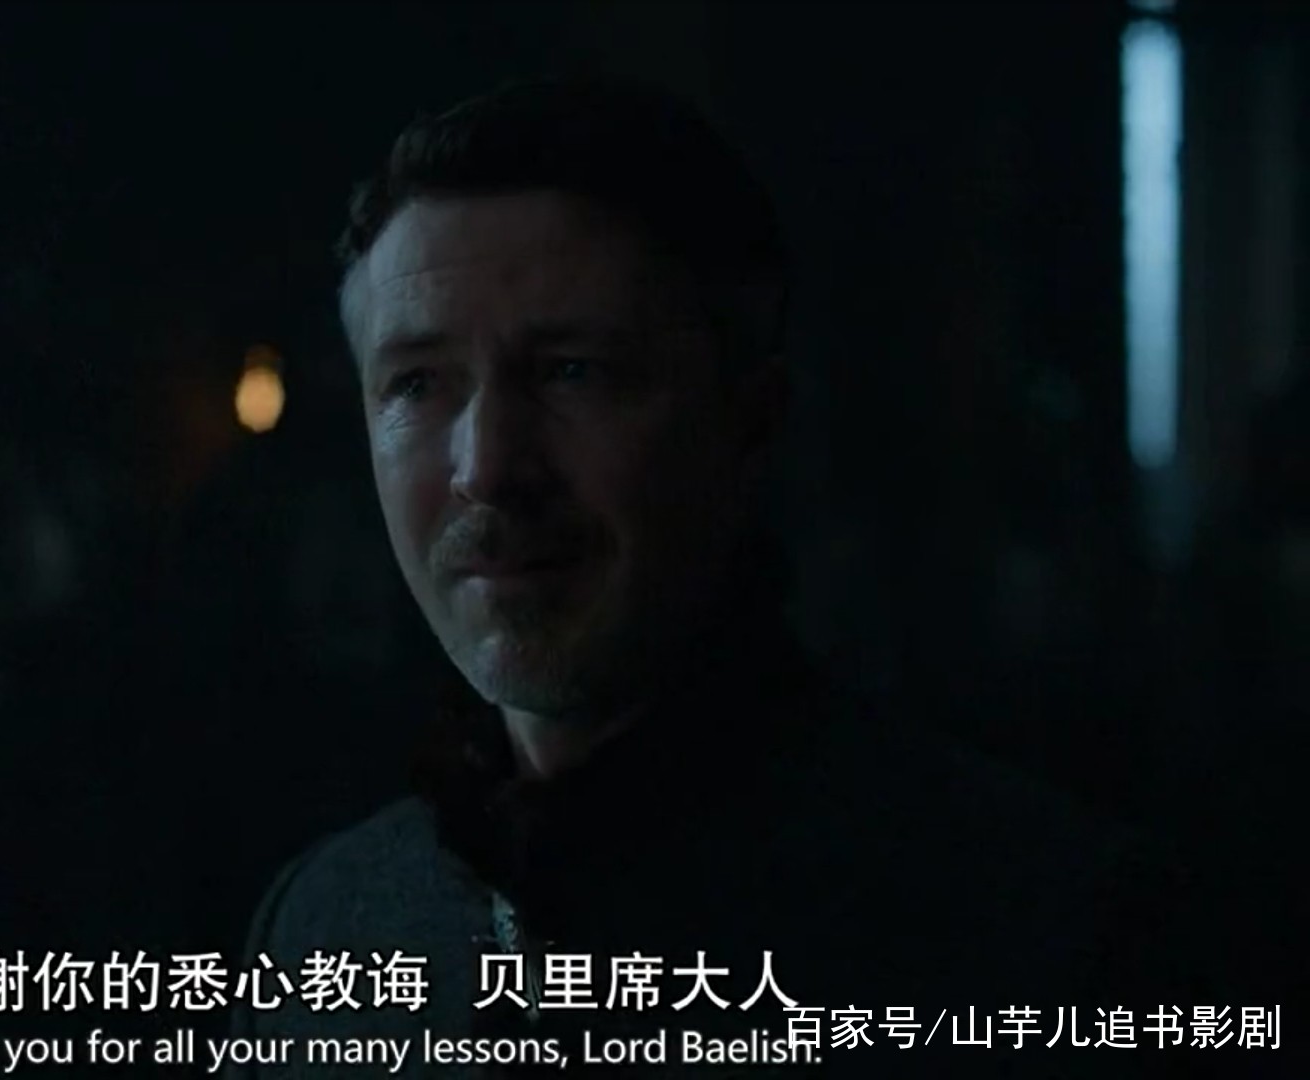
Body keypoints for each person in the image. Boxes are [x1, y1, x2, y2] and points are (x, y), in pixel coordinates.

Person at [225, 77, 1253, 1078]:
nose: (488, 466)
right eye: (416, 384)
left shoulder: (1051, 936)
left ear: (749, 422)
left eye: (574, 370)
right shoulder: (326, 933)